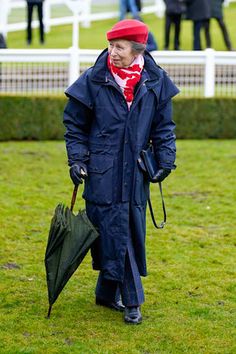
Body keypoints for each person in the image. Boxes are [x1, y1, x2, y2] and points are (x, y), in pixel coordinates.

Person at [63, 19, 179, 325]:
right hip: (101, 171)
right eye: (111, 46)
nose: (112, 52)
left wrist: (166, 160)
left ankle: (106, 292)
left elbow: (164, 127)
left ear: (137, 50)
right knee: (113, 231)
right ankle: (132, 300)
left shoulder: (155, 80)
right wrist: (77, 160)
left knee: (124, 230)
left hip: (136, 172)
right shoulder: (93, 79)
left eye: (120, 47)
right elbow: (74, 125)